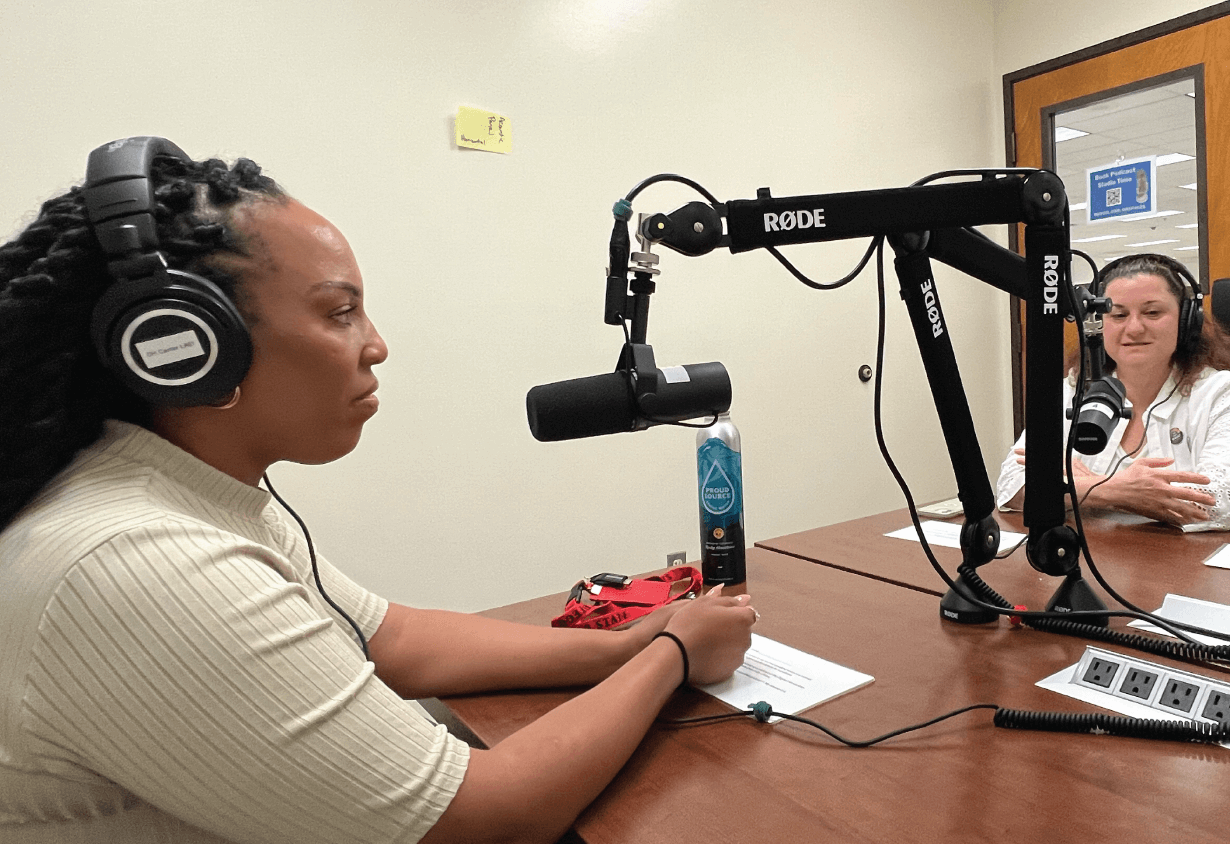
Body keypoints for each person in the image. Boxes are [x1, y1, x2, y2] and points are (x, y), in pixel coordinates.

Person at [0, 138, 757, 844]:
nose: (376, 344)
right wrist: (671, 654)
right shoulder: (138, 562)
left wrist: (621, 648)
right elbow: (488, 815)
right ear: (189, 348)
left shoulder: (183, 490)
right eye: (339, 312)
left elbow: (392, 639)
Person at [995, 253, 1230, 532]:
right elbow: (1012, 484)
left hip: (1204, 563)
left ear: (1186, 322)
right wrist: (1113, 489)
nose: (1134, 328)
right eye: (1119, 314)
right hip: (1104, 555)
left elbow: (1221, 500)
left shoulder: (1226, 392)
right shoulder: (1073, 389)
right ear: (1099, 325)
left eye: (1152, 312)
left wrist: (1079, 488)